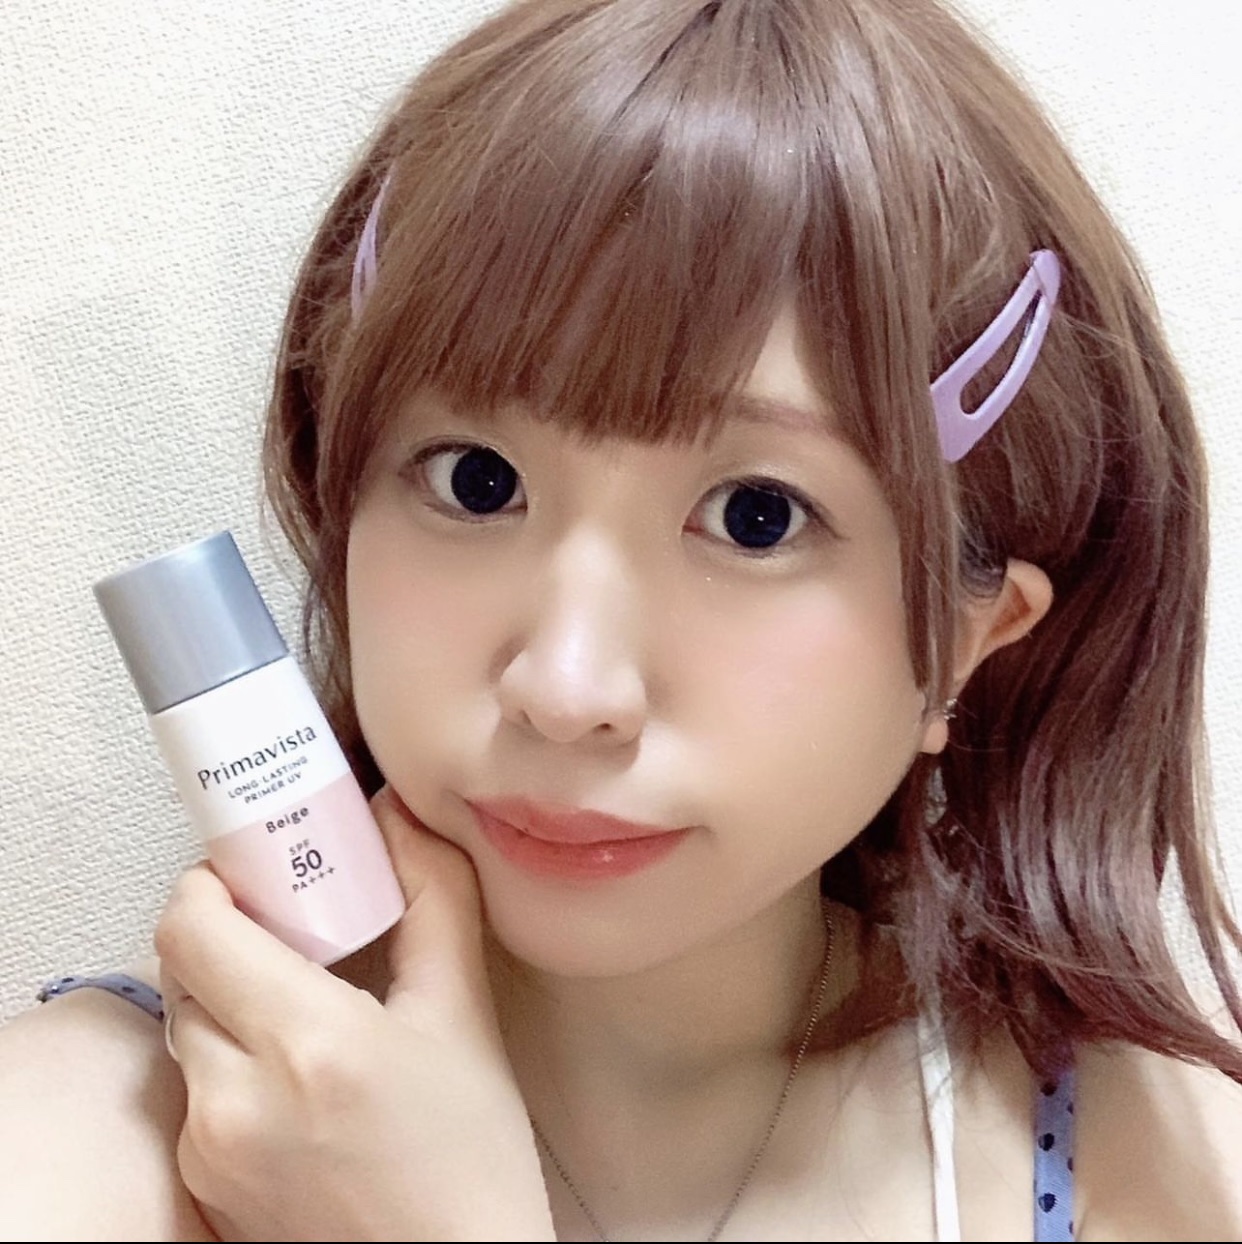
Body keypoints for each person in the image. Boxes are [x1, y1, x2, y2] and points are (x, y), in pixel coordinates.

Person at [2, 0, 1241, 1238]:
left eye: (757, 515)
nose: (566, 685)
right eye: (475, 479)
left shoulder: (1163, 1174)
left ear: (969, 638)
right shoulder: (88, 1150)